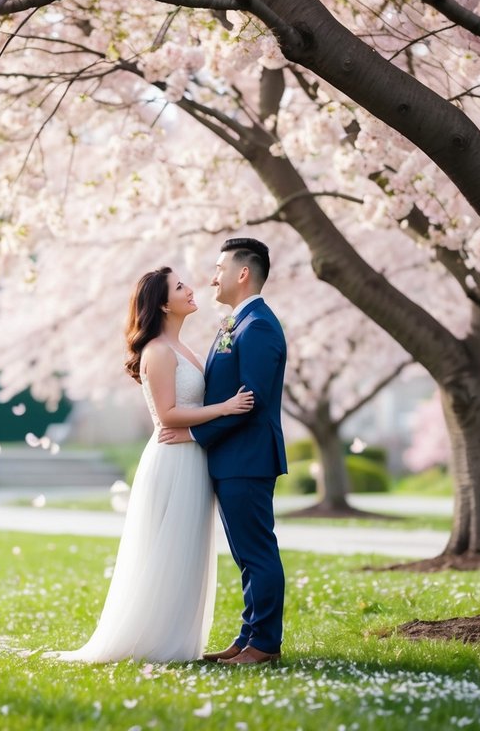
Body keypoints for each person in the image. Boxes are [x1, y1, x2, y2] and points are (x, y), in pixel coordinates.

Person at [51, 267, 254, 663]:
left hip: (192, 456)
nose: (191, 289)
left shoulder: (183, 348)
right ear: (163, 303)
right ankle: (154, 642)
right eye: (180, 287)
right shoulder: (159, 351)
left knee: (186, 551)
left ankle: (176, 640)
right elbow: (168, 415)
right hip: (173, 458)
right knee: (167, 550)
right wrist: (226, 408)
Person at [159, 237, 288, 665]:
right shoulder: (237, 323)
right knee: (247, 556)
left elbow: (252, 400)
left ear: (242, 273)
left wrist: (197, 436)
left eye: (218, 268)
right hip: (233, 459)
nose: (212, 277)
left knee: (257, 553)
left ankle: (265, 644)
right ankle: (248, 637)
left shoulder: (260, 326)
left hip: (248, 457)